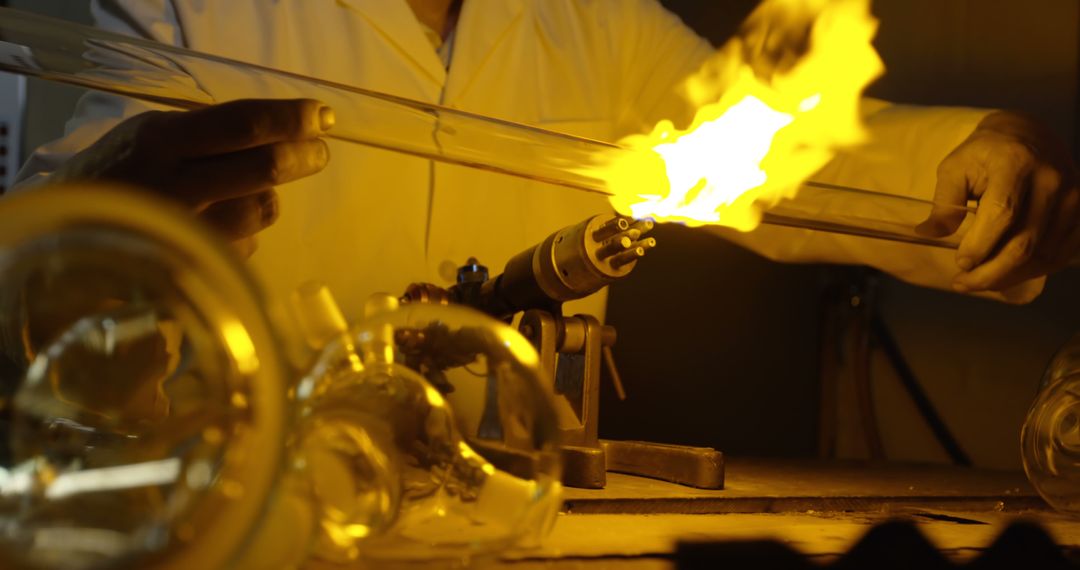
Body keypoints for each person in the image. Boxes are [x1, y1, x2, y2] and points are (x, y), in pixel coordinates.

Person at [14, 0, 1080, 330]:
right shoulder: (175, 7)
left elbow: (787, 162)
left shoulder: (591, 21)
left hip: (512, 515)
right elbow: (37, 260)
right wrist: (93, 221)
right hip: (251, 508)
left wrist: (986, 153)